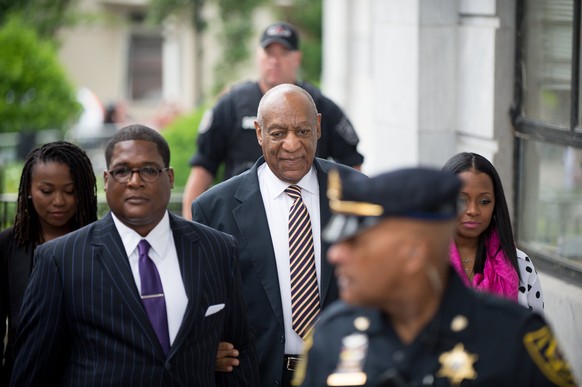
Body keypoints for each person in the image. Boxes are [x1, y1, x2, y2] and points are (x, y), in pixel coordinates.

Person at [10, 125, 259, 386]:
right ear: (106, 180)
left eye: (149, 170)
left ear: (170, 177)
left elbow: (239, 353)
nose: (135, 181)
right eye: (122, 171)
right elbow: (33, 371)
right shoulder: (60, 260)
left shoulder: (217, 249)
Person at [293, 167, 576, 386]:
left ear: (415, 253)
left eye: (355, 242)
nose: (335, 255)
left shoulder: (514, 340)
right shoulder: (330, 336)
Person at [191, 84, 366, 387]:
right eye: (277, 133)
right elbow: (199, 303)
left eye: (302, 131)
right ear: (258, 132)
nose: (292, 145)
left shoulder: (357, 194)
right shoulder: (213, 209)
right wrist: (204, 348)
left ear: (319, 127)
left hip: (342, 372)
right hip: (254, 376)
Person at [182, 21, 364, 219]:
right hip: (241, 216)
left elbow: (352, 167)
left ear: (297, 58)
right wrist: (191, 235)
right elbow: (202, 170)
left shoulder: (319, 105)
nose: (275, 61)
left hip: (307, 212)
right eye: (269, 53)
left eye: (284, 53)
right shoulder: (231, 105)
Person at [0, 141, 98, 386]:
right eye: (46, 190)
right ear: (29, 190)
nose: (59, 201)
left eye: (70, 190)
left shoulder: (102, 244)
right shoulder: (7, 246)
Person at [442, 152, 544, 314]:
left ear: (495, 204)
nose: (473, 211)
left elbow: (533, 332)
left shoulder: (520, 265)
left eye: (484, 201)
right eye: (461, 200)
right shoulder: (423, 263)